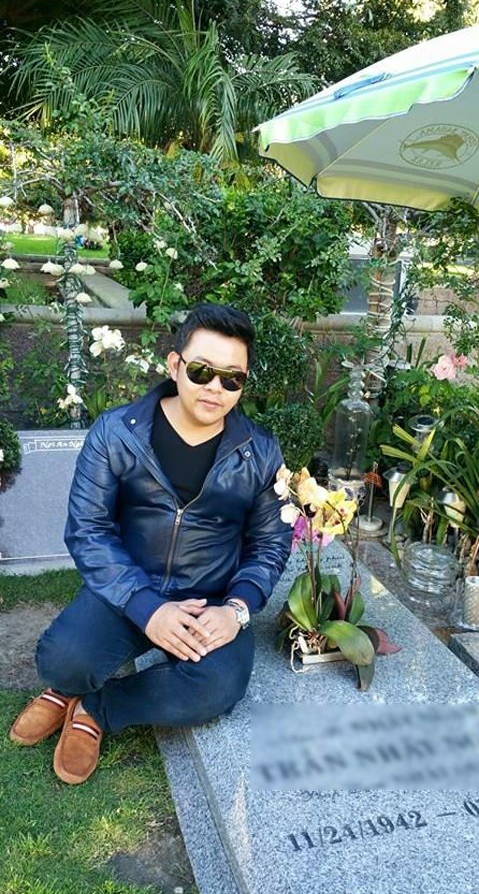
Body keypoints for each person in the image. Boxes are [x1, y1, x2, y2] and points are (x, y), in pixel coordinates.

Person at [9, 302, 293, 784]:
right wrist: (147, 608)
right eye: (202, 371)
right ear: (175, 364)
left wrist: (237, 610)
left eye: (232, 379)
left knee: (216, 688)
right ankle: (64, 688)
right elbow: (88, 530)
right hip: (125, 589)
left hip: (208, 600)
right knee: (63, 661)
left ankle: (98, 709)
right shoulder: (116, 433)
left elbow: (270, 543)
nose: (215, 388)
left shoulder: (260, 452)